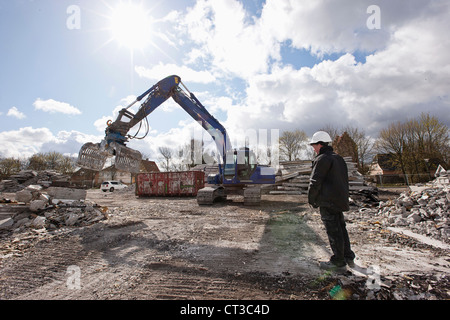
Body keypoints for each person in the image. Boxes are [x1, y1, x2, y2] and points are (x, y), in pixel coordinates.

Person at [307, 131, 355, 272]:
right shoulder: (338, 159)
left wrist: (312, 200)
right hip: (339, 200)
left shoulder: (322, 159)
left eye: (314, 145)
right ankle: (348, 256)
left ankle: (338, 262)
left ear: (320, 144)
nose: (313, 148)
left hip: (327, 201)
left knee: (333, 231)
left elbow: (315, 182)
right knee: (341, 228)